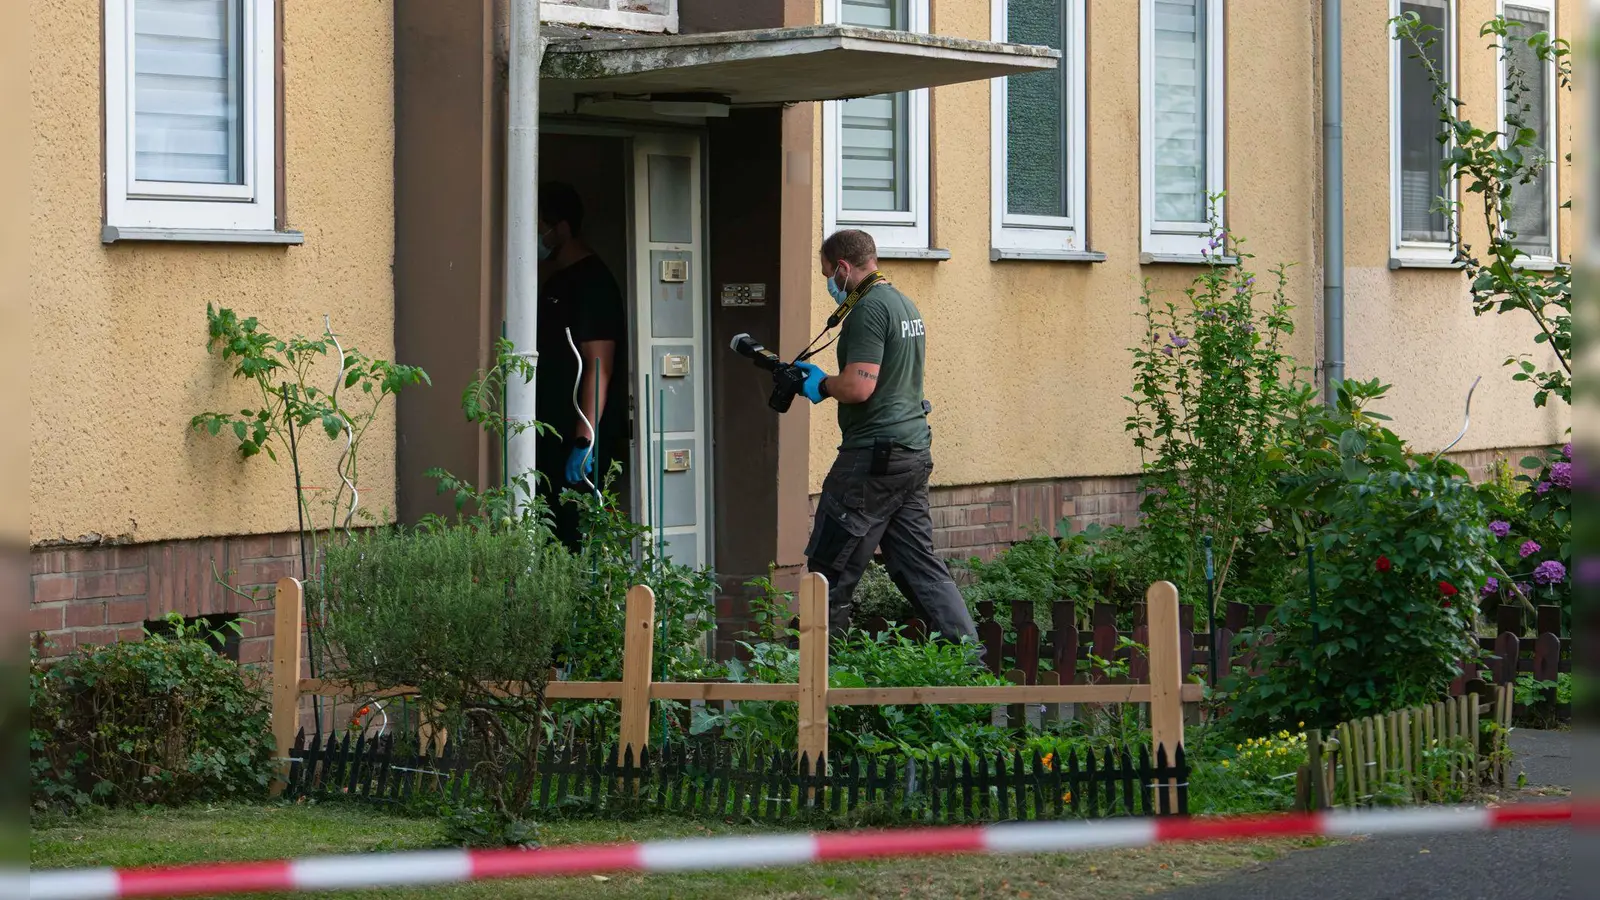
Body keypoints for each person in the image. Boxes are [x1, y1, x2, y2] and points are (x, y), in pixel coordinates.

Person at [793, 229, 979, 650]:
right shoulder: (902, 304)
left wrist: (821, 385)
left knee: (828, 570)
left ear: (843, 267)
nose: (829, 285)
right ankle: (971, 667)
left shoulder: (868, 309)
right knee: (919, 566)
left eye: (827, 274)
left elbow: (861, 387)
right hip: (910, 454)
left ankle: (805, 681)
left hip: (872, 458)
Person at [535, 181, 628, 551]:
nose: (538, 235)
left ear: (563, 228)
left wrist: (584, 440)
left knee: (575, 534)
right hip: (550, 430)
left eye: (542, 225)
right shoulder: (556, 281)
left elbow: (599, 365)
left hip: (577, 437)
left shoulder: (593, 283)